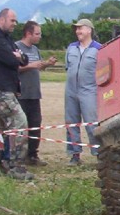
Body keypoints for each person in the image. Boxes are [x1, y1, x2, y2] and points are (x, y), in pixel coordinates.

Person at [0, 8, 34, 180]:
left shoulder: (6, 38)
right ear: (2, 19)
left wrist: (17, 56)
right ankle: (16, 167)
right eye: (12, 21)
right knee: (19, 122)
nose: (15, 24)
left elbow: (24, 59)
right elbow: (11, 60)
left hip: (7, 88)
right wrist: (15, 56)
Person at [16, 20, 57, 166]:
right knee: (21, 126)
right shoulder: (16, 47)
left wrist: (46, 64)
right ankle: (19, 156)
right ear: (28, 34)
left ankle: (32, 156)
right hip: (21, 93)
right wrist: (30, 65)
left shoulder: (35, 50)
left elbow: (37, 67)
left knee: (35, 124)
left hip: (34, 94)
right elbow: (13, 67)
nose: (40, 36)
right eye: (37, 34)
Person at [65, 18, 102, 165]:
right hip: (71, 90)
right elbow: (68, 67)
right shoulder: (71, 48)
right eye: (76, 29)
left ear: (89, 30)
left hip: (89, 90)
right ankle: (75, 154)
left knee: (92, 124)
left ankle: (99, 153)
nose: (78, 31)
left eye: (81, 28)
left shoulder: (99, 49)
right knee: (71, 123)